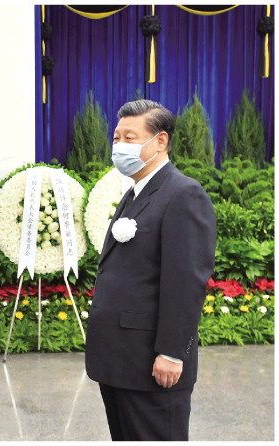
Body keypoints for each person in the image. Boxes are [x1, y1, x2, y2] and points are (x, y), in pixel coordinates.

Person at [85, 99, 216, 441]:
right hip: (120, 359)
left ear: (160, 141)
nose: (119, 146)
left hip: (151, 363)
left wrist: (172, 352)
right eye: (116, 138)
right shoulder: (137, 192)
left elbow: (186, 282)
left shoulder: (183, 194)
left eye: (130, 138)